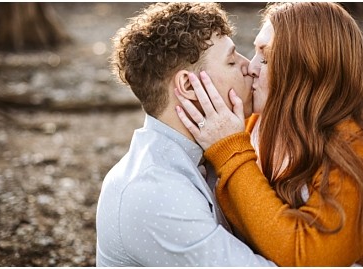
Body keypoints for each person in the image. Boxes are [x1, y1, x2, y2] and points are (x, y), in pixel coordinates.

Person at [174, 2, 363, 266]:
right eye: (255, 52)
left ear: (307, 68)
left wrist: (231, 151)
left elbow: (312, 257)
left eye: (266, 58)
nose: (251, 67)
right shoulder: (257, 122)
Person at [95, 2, 274, 266]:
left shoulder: (205, 152)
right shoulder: (155, 192)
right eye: (232, 61)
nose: (250, 67)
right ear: (189, 86)